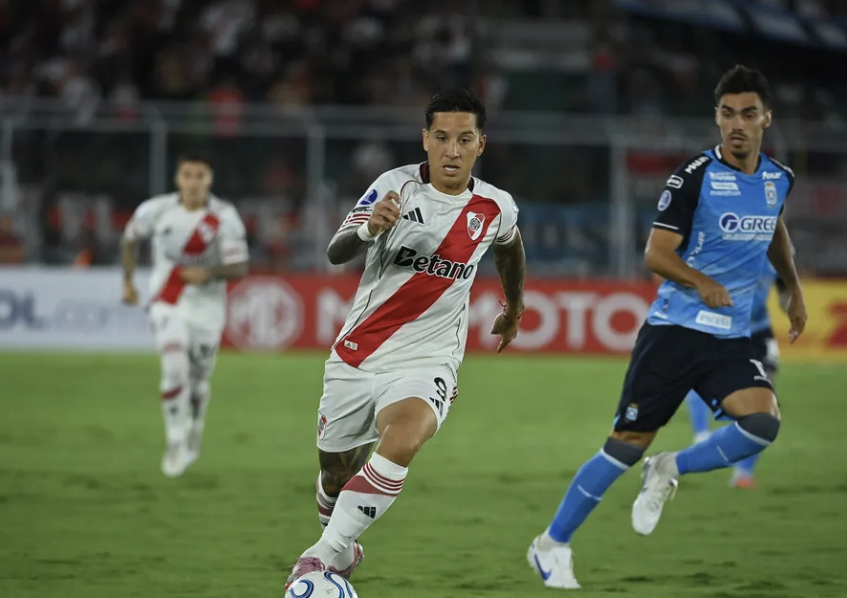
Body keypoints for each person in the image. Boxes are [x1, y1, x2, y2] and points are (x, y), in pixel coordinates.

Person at [527, 65, 807, 589]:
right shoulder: (694, 176)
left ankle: (669, 468)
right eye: (728, 113)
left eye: (748, 113)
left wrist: (793, 288)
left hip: (729, 337)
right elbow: (656, 253)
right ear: (717, 118)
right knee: (624, 444)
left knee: (762, 423)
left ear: (766, 118)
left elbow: (775, 230)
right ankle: (551, 544)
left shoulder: (778, 178)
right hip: (675, 331)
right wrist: (700, 281)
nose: (737, 124)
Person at [284, 88, 526, 590]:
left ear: (481, 144)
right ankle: (340, 547)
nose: (452, 150)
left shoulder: (495, 206)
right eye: (442, 137)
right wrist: (369, 229)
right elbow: (335, 251)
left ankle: (317, 558)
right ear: (425, 140)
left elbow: (510, 247)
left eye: (464, 139)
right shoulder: (393, 187)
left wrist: (514, 307)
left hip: (429, 359)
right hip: (359, 356)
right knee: (335, 477)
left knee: (406, 436)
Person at [121, 154, 249, 478]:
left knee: (198, 380)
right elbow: (130, 238)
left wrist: (210, 273)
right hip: (168, 300)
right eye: (187, 175)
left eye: (199, 175)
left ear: (209, 179)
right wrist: (128, 281)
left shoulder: (224, 216)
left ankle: (195, 427)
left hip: (208, 309)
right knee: (174, 363)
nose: (193, 182)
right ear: (178, 179)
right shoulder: (157, 209)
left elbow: (240, 267)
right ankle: (175, 440)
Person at [683, 258, 792, 488]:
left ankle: (743, 474)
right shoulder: (729, 245)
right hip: (721, 326)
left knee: (765, 401)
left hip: (758, 331)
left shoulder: (778, 251)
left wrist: (791, 303)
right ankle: (701, 435)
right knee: (698, 374)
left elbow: (784, 286)